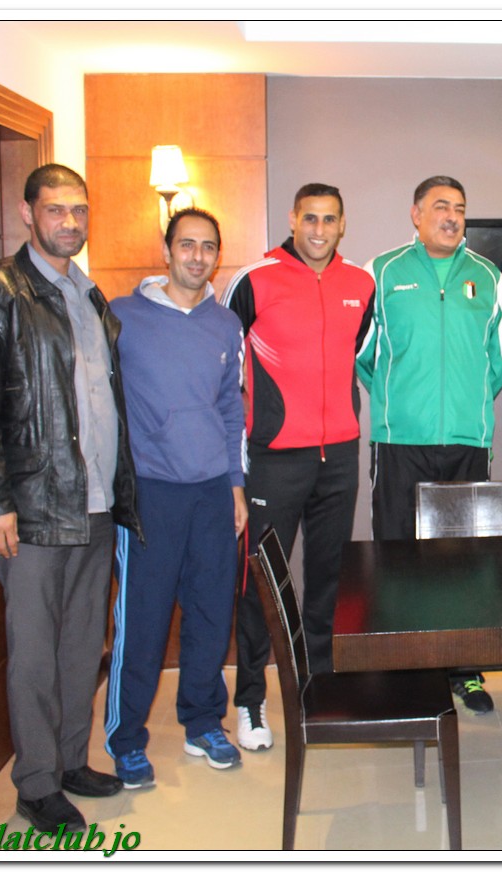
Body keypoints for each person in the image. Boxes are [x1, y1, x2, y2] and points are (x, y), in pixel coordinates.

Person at [0, 164, 141, 833]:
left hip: (94, 502)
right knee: (34, 652)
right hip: (32, 509)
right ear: (28, 213)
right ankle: (35, 784)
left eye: (79, 210)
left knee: (82, 645)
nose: (70, 221)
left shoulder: (90, 295)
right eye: (57, 209)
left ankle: (68, 761)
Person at [223, 184, 375, 750]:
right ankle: (251, 700)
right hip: (275, 457)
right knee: (262, 581)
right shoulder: (255, 280)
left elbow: (356, 349)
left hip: (339, 455)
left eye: (330, 220)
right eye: (310, 218)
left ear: (342, 225)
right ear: (292, 219)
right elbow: (224, 361)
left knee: (328, 576)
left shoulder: (360, 284)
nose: (319, 230)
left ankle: (320, 686)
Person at [357, 175, 502, 714]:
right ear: (416, 214)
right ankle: (405, 673)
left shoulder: (489, 277)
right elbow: (363, 353)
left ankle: (464, 671)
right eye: (441, 206)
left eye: (460, 208)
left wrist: (468, 402)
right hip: (400, 441)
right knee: (398, 557)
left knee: (465, 562)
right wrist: (397, 401)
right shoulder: (383, 272)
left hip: (468, 443)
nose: (451, 216)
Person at [103, 208, 246, 786]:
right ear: (166, 251)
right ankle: (125, 740)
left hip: (212, 491)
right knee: (143, 619)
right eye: (186, 245)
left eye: (208, 247)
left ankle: (203, 722)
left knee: (211, 613)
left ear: (217, 256)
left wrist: (236, 486)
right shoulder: (121, 316)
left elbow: (230, 409)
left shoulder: (225, 324)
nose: (197, 256)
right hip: (151, 493)